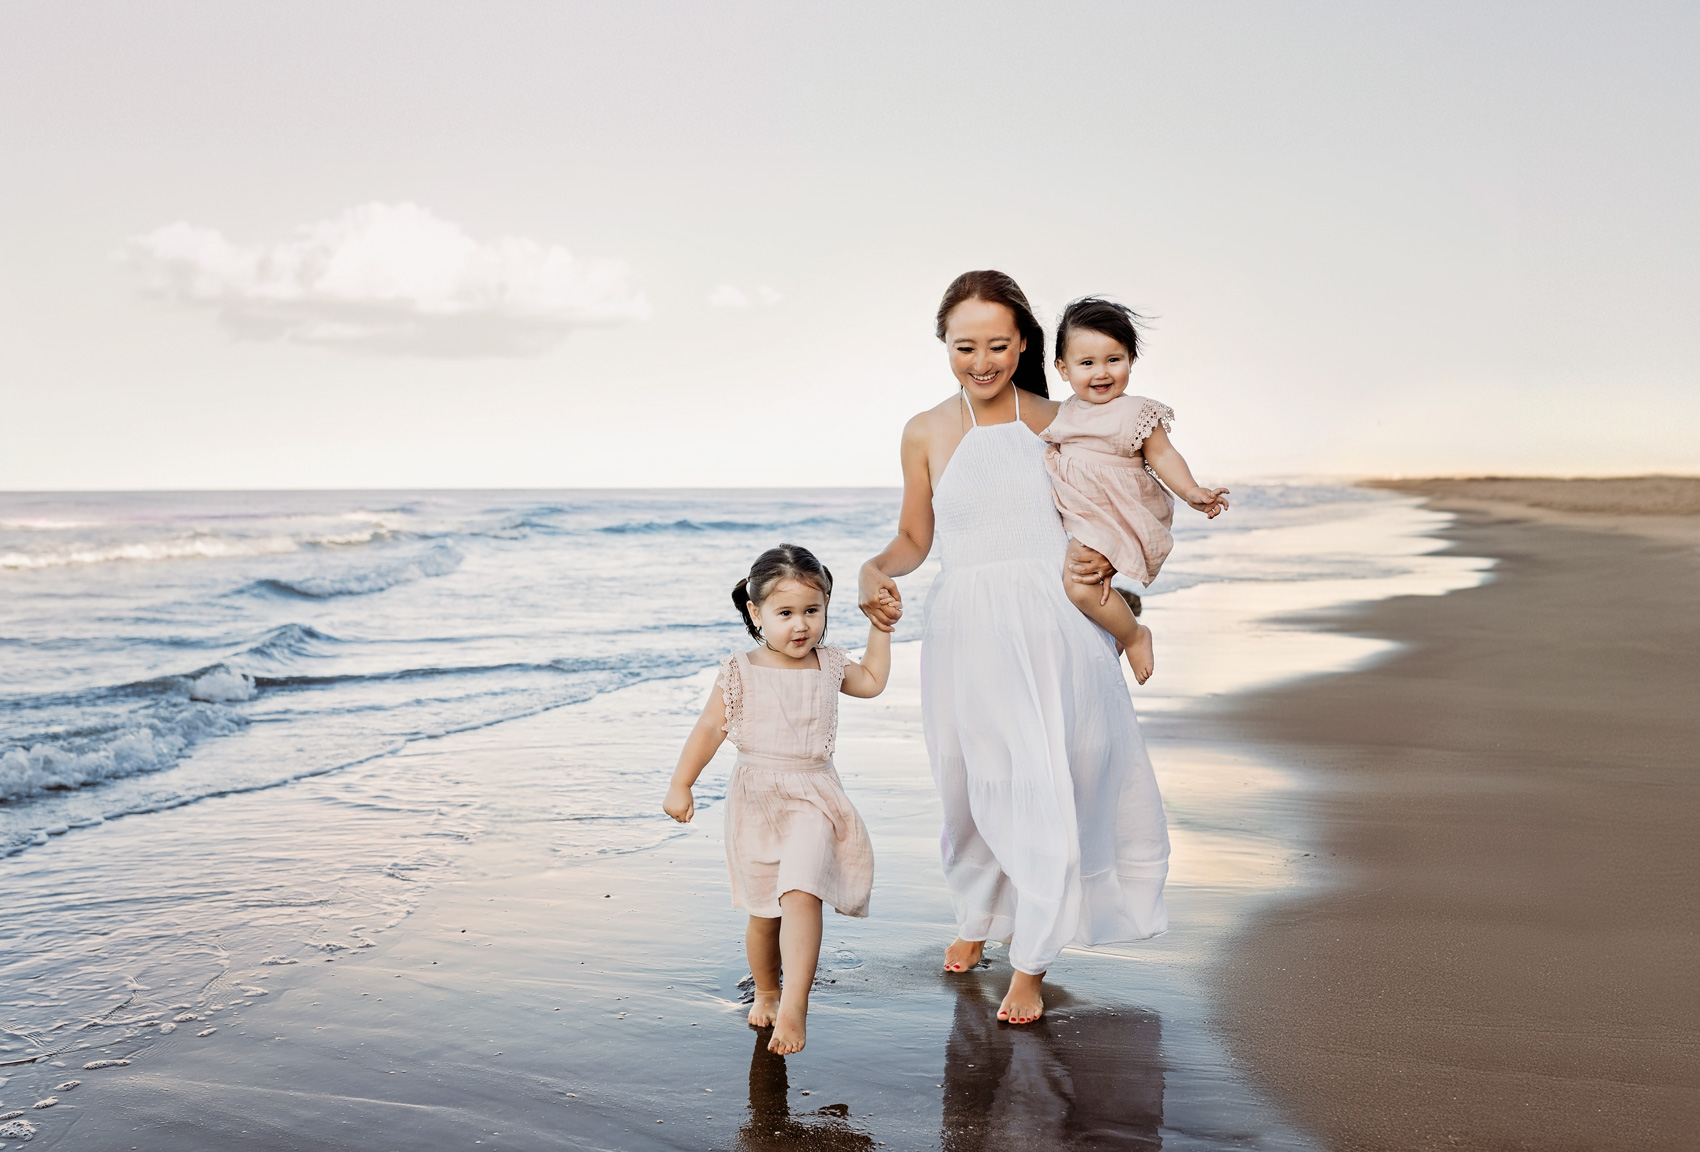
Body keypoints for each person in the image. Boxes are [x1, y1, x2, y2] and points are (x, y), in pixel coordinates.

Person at [858, 270, 1169, 1025]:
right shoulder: (924, 430)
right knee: (969, 788)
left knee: (1045, 785)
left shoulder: (1065, 419)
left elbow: (1128, 499)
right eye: (966, 347)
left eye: (998, 344)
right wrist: (874, 568)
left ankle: (1030, 958)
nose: (983, 360)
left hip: (1054, 622)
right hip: (966, 627)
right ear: (945, 346)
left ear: (1026, 342)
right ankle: (978, 914)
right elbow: (914, 539)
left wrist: (1111, 571)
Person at [664, 543, 891, 1055]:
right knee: (765, 911)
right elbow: (709, 728)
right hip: (758, 799)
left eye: (812, 611)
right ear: (756, 613)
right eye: (785, 613)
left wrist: (881, 626)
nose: (801, 625)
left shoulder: (829, 665)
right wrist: (682, 782)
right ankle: (767, 988)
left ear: (827, 606)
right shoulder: (739, 670)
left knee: (802, 891)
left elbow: (873, 681)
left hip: (814, 794)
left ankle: (795, 1003)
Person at [1042, 295, 1230, 683]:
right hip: (1082, 511)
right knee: (1078, 587)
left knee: (1078, 587)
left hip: (1115, 510)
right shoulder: (1064, 412)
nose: (1102, 372)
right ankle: (1110, 632)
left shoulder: (1136, 411)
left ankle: (1133, 634)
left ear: (1130, 360)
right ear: (1063, 368)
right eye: (1087, 362)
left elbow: (1163, 456)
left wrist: (1191, 490)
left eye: (1114, 359)